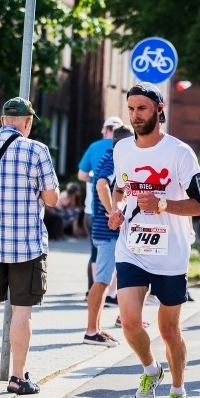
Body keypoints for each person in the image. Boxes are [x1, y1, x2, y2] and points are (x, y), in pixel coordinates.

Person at [107, 82, 200, 398]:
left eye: (142, 109)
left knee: (168, 330)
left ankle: (178, 390)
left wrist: (163, 203)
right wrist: (117, 209)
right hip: (132, 247)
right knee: (131, 322)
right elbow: (120, 188)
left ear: (159, 110)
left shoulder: (180, 153)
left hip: (171, 253)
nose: (135, 115)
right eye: (131, 108)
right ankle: (151, 369)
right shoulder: (122, 149)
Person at [0, 97, 59, 394]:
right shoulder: (36, 150)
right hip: (27, 245)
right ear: (27, 123)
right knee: (22, 311)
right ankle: (17, 378)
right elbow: (52, 199)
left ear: (3, 120)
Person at [85, 124, 135, 344]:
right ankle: (91, 331)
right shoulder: (114, 159)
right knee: (102, 281)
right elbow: (102, 185)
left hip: (106, 231)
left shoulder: (110, 157)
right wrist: (112, 211)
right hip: (107, 232)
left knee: (105, 281)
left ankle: (96, 329)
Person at [79, 116, 123, 298]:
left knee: (95, 253)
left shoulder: (95, 147)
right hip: (112, 213)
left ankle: (94, 292)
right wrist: (113, 208)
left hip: (92, 209)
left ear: (106, 130)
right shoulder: (121, 153)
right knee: (114, 255)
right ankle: (110, 293)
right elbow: (104, 183)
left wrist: (93, 178)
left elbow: (82, 175)